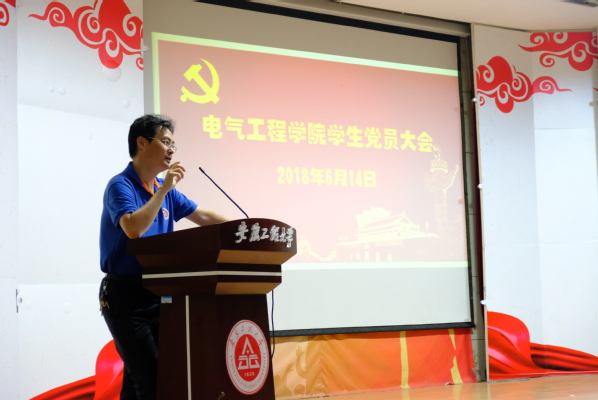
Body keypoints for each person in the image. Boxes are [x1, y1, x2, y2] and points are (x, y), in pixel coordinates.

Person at [99, 114, 229, 400]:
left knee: (141, 380)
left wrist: (244, 228)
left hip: (159, 294)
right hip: (124, 297)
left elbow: (203, 216)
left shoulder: (164, 189)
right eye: (166, 142)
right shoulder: (121, 185)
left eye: (173, 144)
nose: (171, 150)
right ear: (142, 143)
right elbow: (133, 228)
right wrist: (164, 191)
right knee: (153, 379)